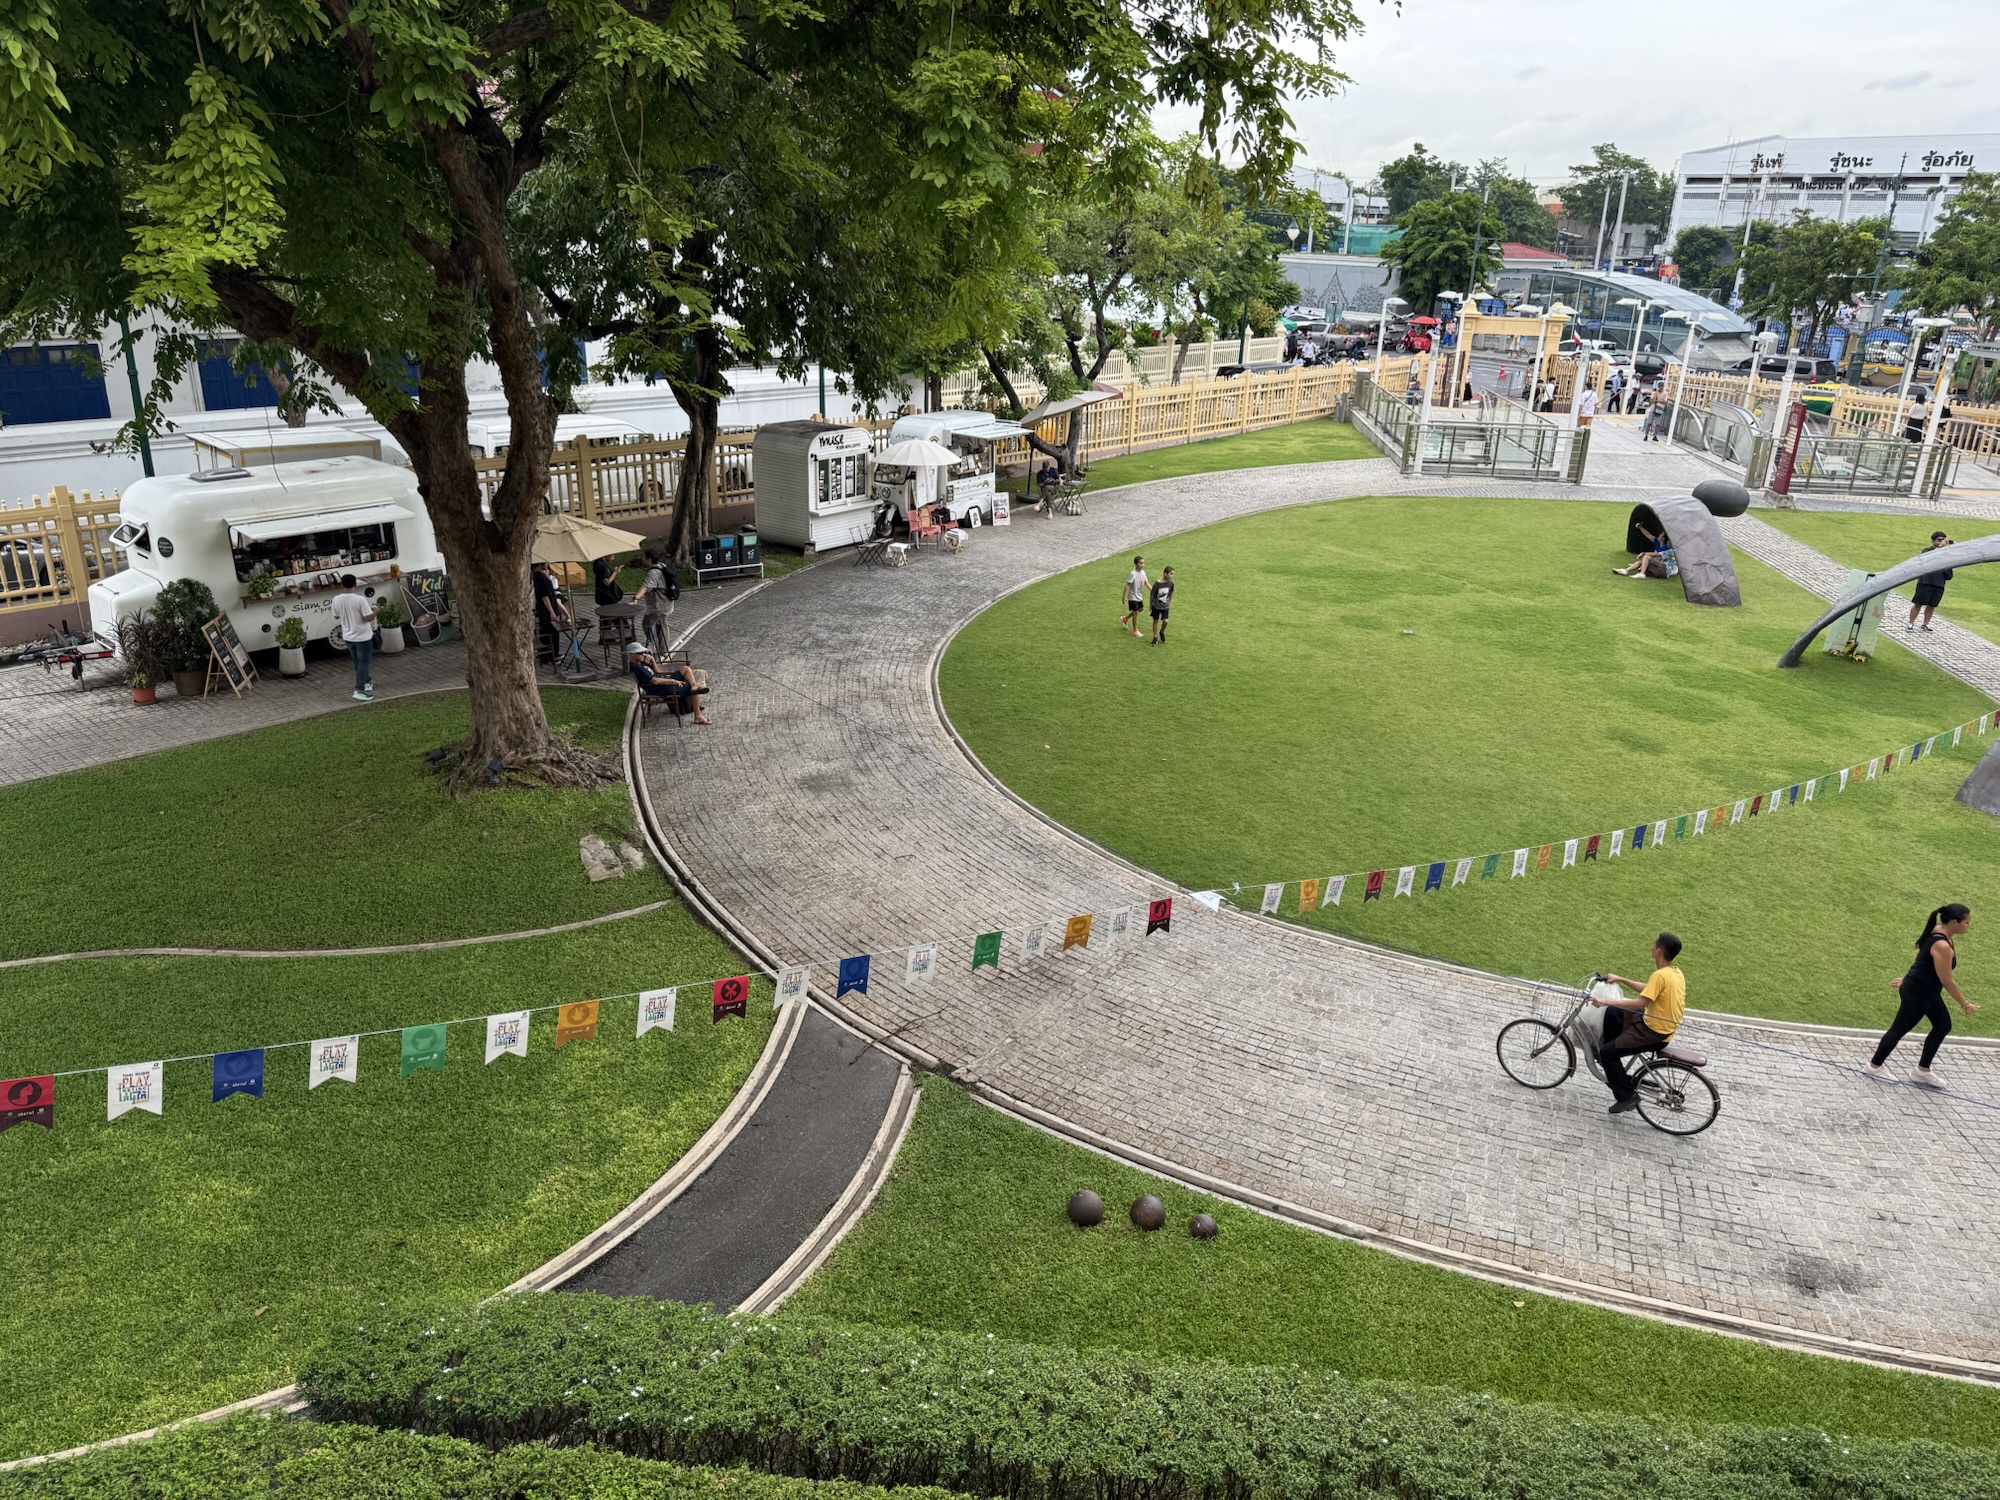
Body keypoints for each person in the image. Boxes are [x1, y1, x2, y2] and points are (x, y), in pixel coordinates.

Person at [1868, 904, 1977, 1086]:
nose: (1968, 925)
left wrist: (1907, 977)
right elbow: (1946, 980)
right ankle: (1874, 1066)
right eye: (1966, 922)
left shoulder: (1940, 932)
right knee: (1898, 1029)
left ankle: (1922, 1071)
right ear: (1954, 922)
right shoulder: (1942, 945)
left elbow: (1923, 958)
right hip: (1918, 993)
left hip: (1925, 990)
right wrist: (1965, 1004)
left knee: (1943, 1025)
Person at [1594, 934, 1687, 1115]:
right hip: (1657, 1025)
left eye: (1654, 944)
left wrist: (1605, 1001)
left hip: (1653, 1032)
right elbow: (1649, 989)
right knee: (1613, 1013)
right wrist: (1621, 979)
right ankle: (1613, 1064)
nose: (1651, 946)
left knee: (1607, 1053)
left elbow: (1640, 1004)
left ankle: (1626, 1096)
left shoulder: (1660, 975)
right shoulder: (1674, 972)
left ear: (1659, 950)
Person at [626, 642, 711, 724]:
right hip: (661, 688)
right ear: (632, 654)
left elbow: (657, 671)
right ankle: (698, 717)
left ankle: (694, 686)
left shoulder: (640, 662)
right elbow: (655, 681)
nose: (643, 654)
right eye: (640, 653)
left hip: (663, 683)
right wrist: (673, 681)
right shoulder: (637, 668)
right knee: (692, 689)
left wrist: (652, 659)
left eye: (643, 652)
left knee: (686, 669)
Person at [330, 574, 377, 702]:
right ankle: (359, 689)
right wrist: (376, 611)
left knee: (357, 661)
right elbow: (368, 618)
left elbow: (336, 615)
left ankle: (366, 681)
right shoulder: (360, 600)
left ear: (341, 584)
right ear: (355, 584)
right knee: (364, 662)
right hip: (362, 636)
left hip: (348, 635)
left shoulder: (336, 599)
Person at [1907, 531, 1952, 632]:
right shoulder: (1927, 551)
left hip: (1939, 584)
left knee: (1932, 606)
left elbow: (1949, 571)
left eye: (1943, 540)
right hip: (1925, 582)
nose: (1941, 542)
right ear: (1933, 541)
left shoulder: (1946, 554)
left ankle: (1925, 624)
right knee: (1918, 604)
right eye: (1939, 540)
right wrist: (1939, 548)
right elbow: (1927, 559)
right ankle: (1911, 623)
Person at [635, 549, 678, 652]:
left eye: (643, 557)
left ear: (649, 559)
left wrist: (635, 598)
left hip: (658, 606)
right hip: (667, 603)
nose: (642, 559)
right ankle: (664, 650)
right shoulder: (661, 565)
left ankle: (652, 647)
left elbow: (646, 586)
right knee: (662, 625)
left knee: (647, 624)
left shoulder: (653, 573)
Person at [532, 561, 571, 662]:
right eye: (546, 563)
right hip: (545, 611)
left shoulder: (540, 576)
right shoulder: (540, 577)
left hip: (545, 610)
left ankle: (545, 656)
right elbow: (544, 596)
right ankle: (553, 655)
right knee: (553, 633)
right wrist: (551, 611)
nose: (547, 565)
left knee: (545, 631)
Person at [1121, 556, 1149, 638]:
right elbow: (1127, 585)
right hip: (1132, 596)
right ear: (1136, 564)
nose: (1142, 565)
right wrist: (1124, 596)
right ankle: (1135, 631)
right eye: (1140, 563)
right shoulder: (1133, 574)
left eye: (1143, 563)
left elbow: (1147, 583)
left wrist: (1153, 590)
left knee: (1141, 609)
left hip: (1139, 596)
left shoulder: (1143, 573)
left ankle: (1125, 618)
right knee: (1136, 612)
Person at [1149, 566, 1175, 646]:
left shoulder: (1171, 583)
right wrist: (1151, 604)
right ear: (1165, 574)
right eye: (1171, 574)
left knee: (1165, 621)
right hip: (1156, 605)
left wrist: (1169, 601)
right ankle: (1155, 637)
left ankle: (1162, 631)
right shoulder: (1157, 583)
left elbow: (1171, 592)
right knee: (1155, 621)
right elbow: (1152, 594)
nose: (1172, 576)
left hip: (1165, 606)